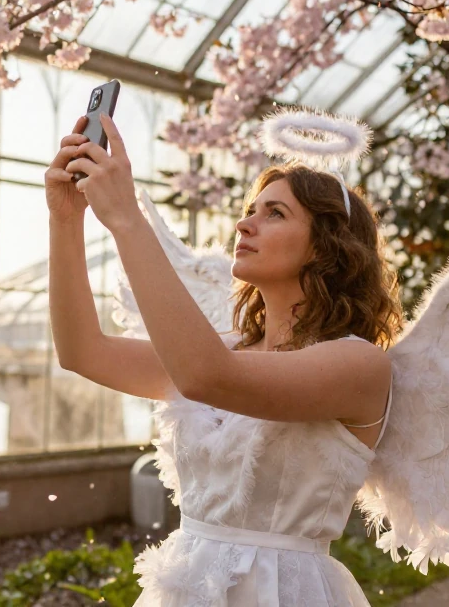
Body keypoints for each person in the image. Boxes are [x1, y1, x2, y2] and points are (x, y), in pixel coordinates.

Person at [46, 114, 401, 605]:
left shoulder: (359, 367)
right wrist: (65, 219)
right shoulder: (226, 347)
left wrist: (127, 218)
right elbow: (82, 351)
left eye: (274, 213)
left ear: (328, 245)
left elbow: (204, 377)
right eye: (251, 209)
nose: (244, 223)